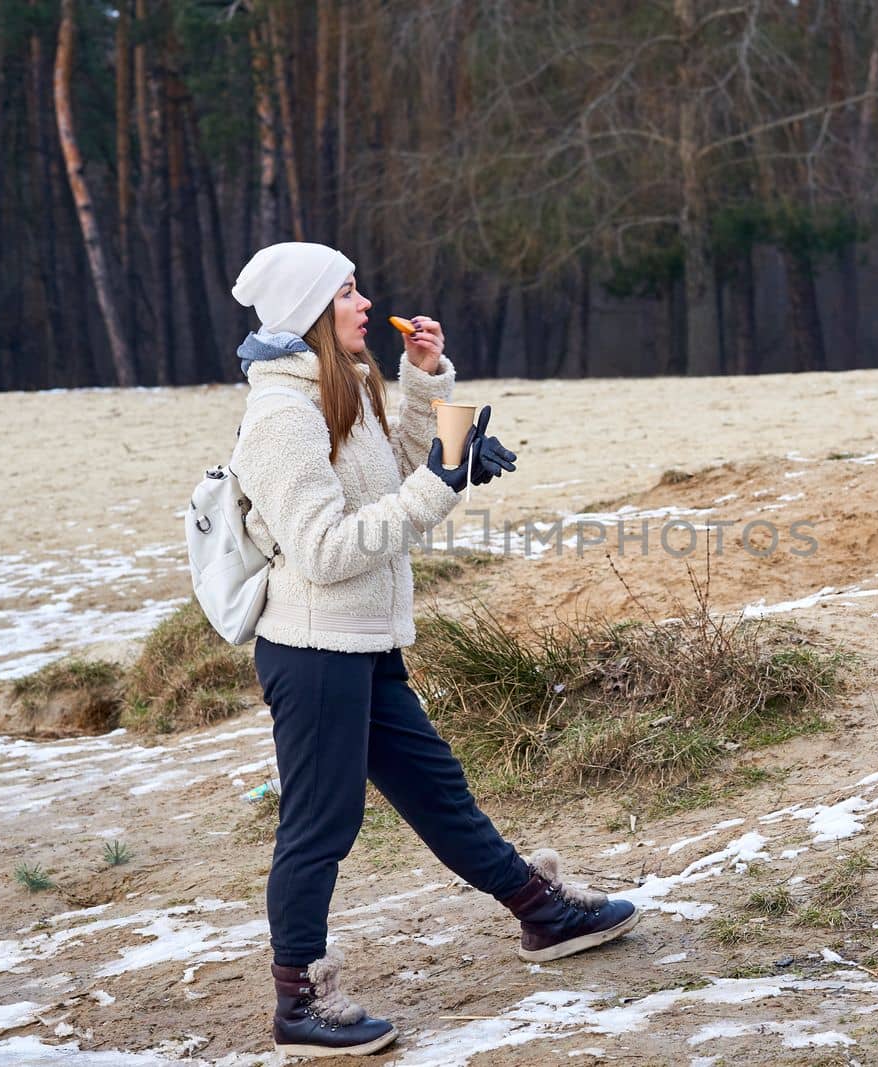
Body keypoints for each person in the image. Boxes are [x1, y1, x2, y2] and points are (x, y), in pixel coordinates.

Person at [228, 242, 640, 1060]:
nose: (362, 302)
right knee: (320, 825)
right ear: (310, 312)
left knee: (439, 791)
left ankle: (541, 910)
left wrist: (427, 381)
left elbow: (400, 475)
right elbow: (325, 549)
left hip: (361, 644)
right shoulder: (282, 417)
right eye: (345, 292)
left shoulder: (338, 388)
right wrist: (440, 484)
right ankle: (298, 1000)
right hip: (312, 654)